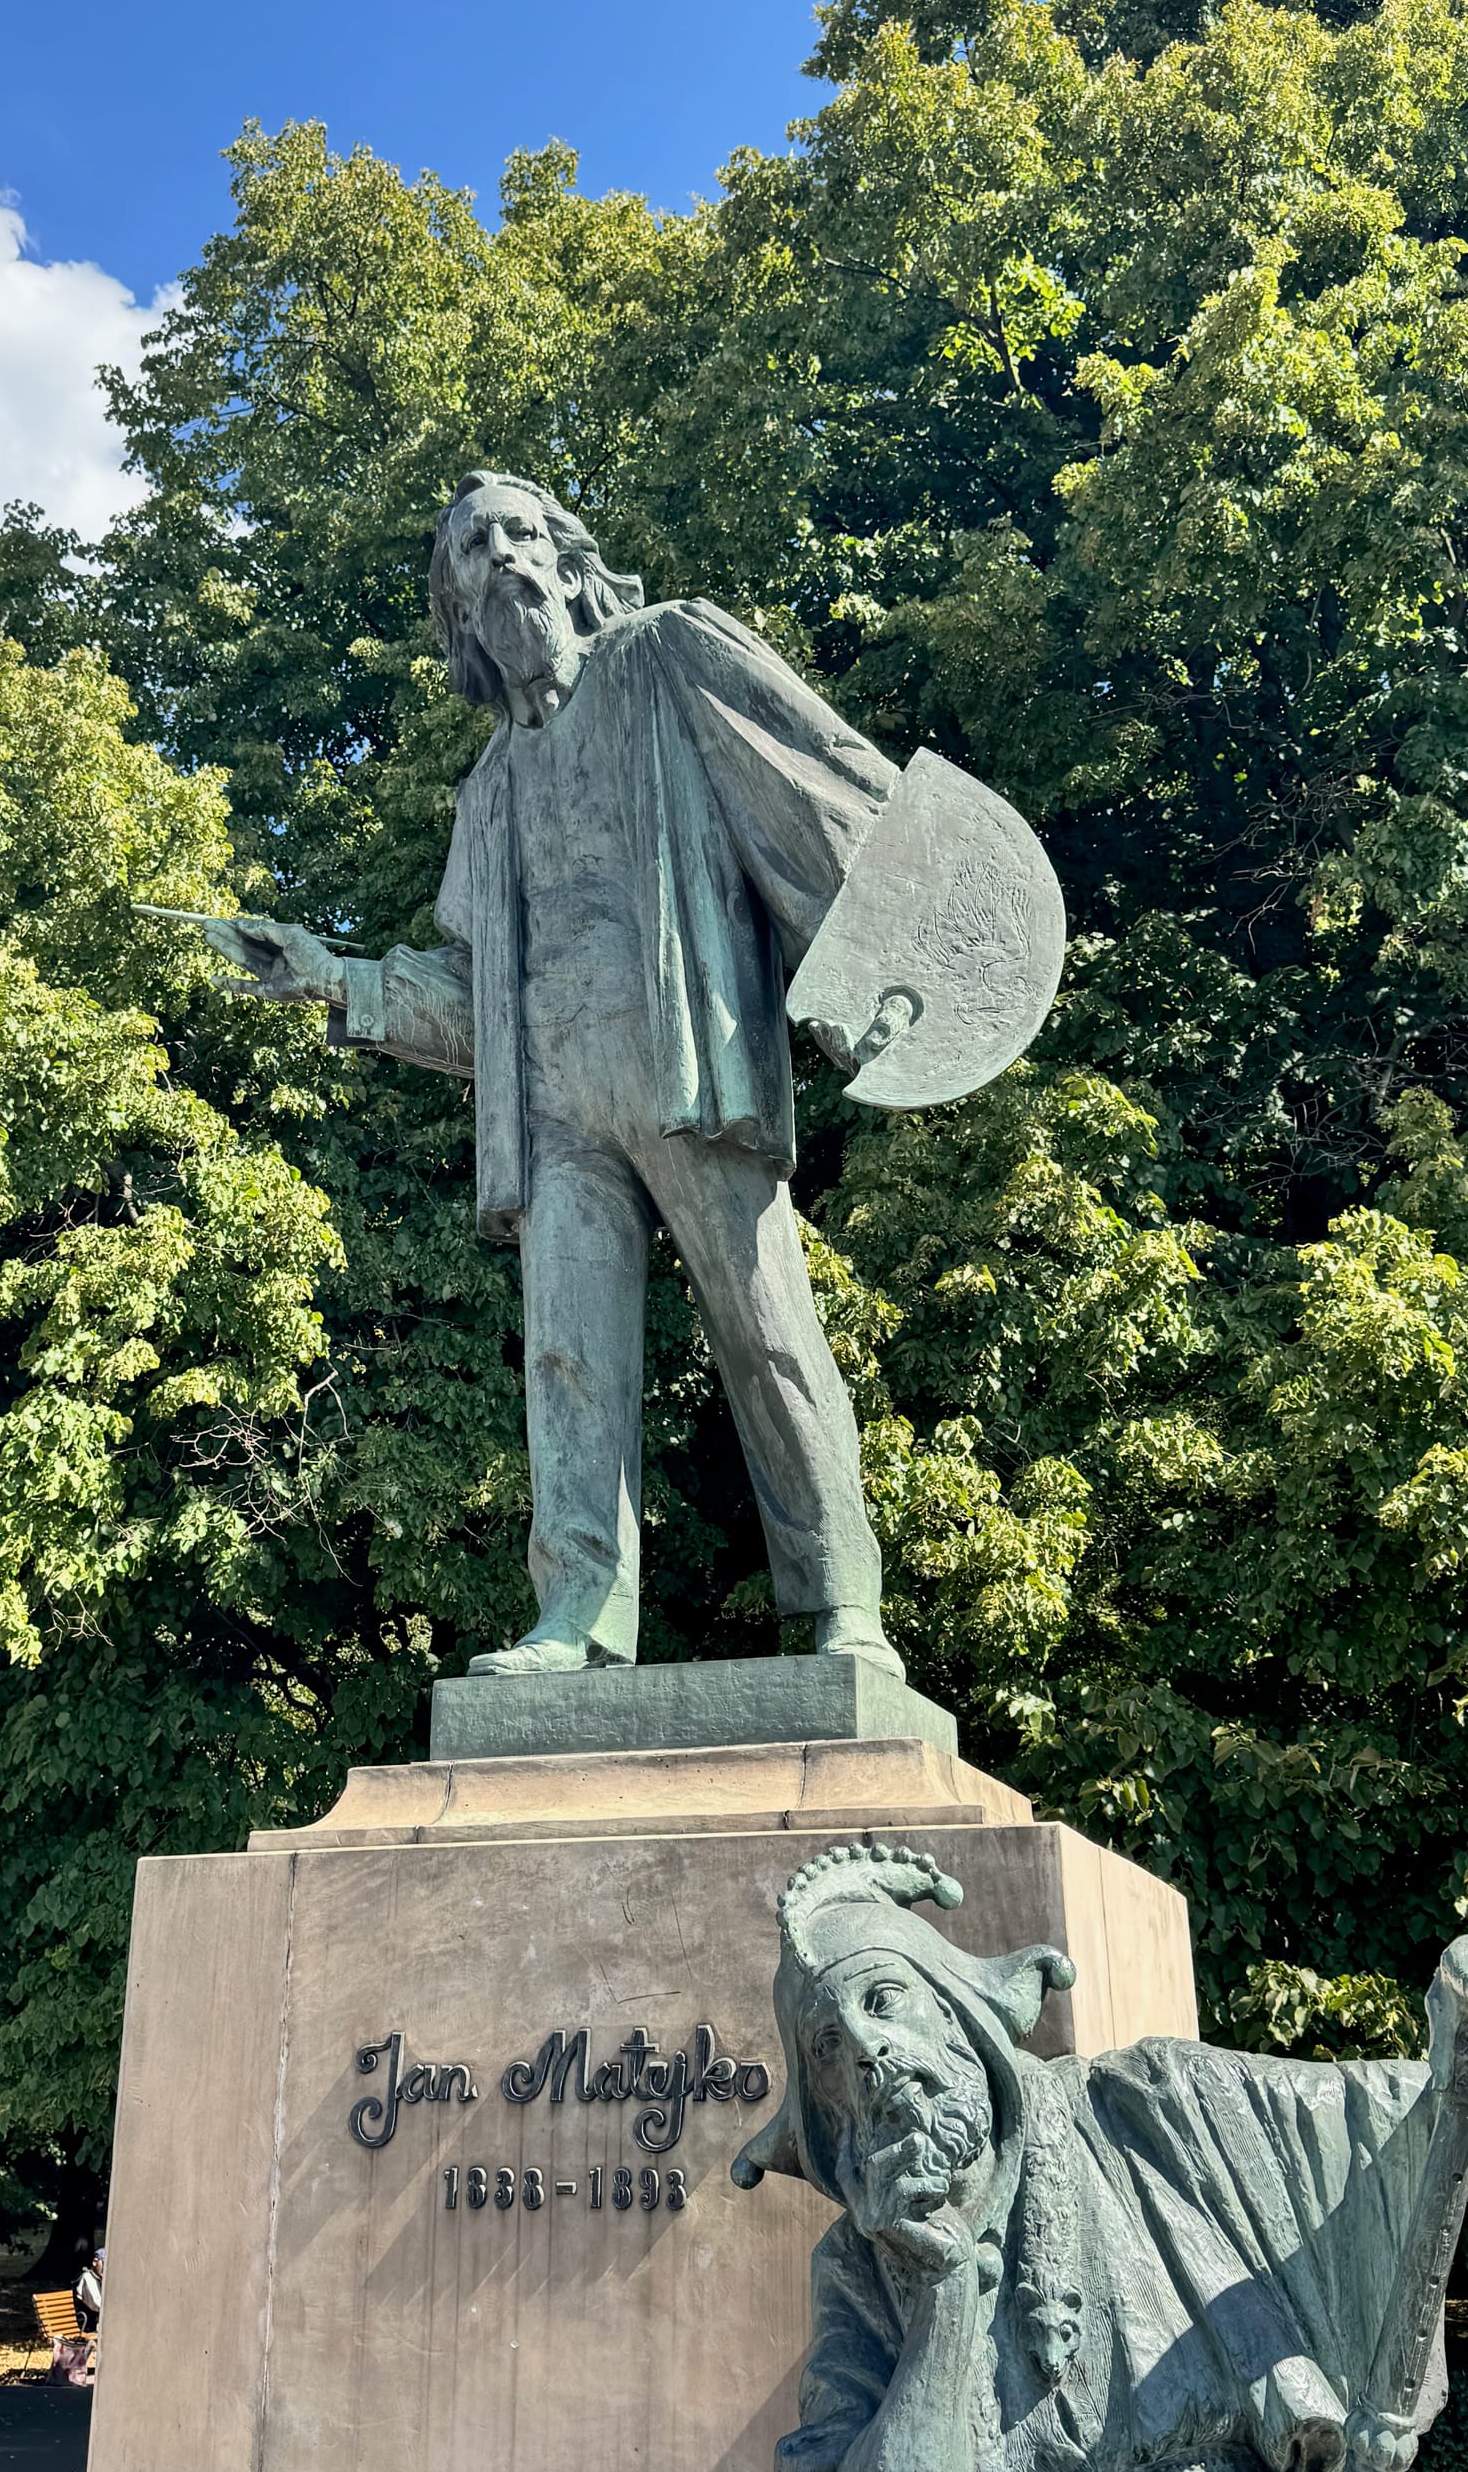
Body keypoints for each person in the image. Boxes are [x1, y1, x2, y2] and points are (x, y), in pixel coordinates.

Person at [186, 473, 926, 1679]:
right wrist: (332, 976)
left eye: (521, 533)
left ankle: (844, 1602)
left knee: (767, 1335)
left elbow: (816, 784)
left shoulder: (665, 656)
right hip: (554, 1104)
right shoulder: (485, 793)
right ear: (458, 612)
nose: (503, 556)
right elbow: (474, 998)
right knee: (566, 1365)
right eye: (474, 549)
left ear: (571, 565)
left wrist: (886, 965)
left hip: (684, 1062)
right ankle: (577, 1615)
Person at [733, 1844, 1468, 2472]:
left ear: (958, 2009)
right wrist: (946, 2299)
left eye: (883, 2000)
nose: (868, 2050)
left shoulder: (1160, 2107)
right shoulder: (856, 2267)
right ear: (826, 2105)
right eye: (828, 2045)